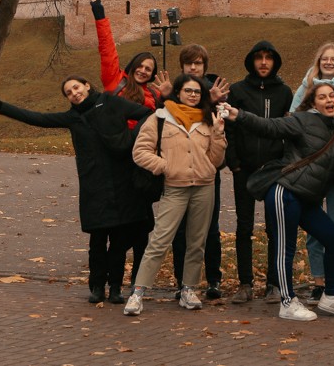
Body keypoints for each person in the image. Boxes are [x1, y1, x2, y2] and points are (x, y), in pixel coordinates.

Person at [0, 77, 153, 305]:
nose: (74, 93)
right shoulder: (73, 117)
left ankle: (115, 287)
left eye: (76, 87)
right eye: (68, 92)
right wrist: (3, 107)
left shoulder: (112, 103)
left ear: (86, 85)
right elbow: (39, 119)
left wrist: (132, 139)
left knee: (118, 241)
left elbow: (147, 114)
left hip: (121, 182)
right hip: (93, 185)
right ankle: (97, 287)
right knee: (97, 241)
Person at [224, 83, 334, 321]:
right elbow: (269, 126)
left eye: (332, 96)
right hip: (284, 190)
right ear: (313, 103)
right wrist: (239, 115)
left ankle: (331, 298)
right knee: (286, 247)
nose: (329, 100)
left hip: (308, 199)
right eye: (322, 97)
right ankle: (287, 302)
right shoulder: (302, 120)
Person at [123, 75, 227, 316]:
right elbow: (140, 152)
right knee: (159, 241)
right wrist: (165, 167)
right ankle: (138, 293)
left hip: (204, 187)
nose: (193, 95)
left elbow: (216, 160)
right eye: (188, 91)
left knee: (196, 242)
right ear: (177, 93)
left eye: (197, 92)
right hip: (175, 188)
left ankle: (189, 289)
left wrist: (219, 135)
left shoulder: (208, 119)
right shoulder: (160, 118)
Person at [225, 40, 293, 304]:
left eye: (268, 58)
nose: (264, 63)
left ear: (275, 61)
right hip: (245, 167)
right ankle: (245, 283)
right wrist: (235, 162)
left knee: (274, 228)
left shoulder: (284, 92)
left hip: (273, 170)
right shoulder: (238, 90)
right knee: (244, 227)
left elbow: (289, 129)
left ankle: (274, 283)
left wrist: (284, 163)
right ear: (251, 61)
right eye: (259, 58)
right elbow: (229, 128)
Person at [290, 42, 334, 304]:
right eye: (325, 59)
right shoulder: (307, 84)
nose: (329, 63)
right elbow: (294, 115)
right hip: (314, 167)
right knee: (315, 225)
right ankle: (318, 280)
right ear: (319, 61)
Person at [163, 44, 229, 300]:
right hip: (179, 172)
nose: (193, 67)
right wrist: (164, 97)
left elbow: (223, 127)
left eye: (198, 63)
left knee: (210, 229)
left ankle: (213, 279)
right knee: (179, 230)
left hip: (206, 172)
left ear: (205, 67)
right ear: (183, 66)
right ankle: (183, 282)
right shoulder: (176, 94)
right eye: (189, 63)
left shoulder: (216, 93)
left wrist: (212, 101)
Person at [90, 0, 161, 112]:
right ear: (133, 66)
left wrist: (169, 94)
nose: (143, 71)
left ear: (152, 74)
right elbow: (107, 51)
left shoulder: (155, 95)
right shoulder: (115, 80)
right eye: (140, 66)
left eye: (148, 69)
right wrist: (99, 15)